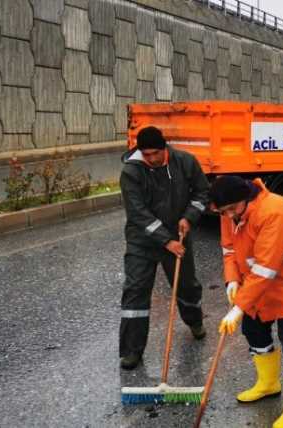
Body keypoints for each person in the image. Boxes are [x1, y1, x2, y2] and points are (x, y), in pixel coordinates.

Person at [210, 176, 283, 428]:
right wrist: (232, 280)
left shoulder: (275, 210)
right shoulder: (229, 211)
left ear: (247, 198)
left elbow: (267, 267)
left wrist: (237, 309)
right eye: (222, 213)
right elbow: (229, 250)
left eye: (232, 210)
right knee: (254, 330)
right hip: (256, 282)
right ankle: (268, 384)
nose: (228, 216)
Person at [118, 126, 209, 370]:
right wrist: (165, 240)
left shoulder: (185, 162)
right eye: (145, 154)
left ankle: (195, 321)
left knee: (186, 286)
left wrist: (189, 217)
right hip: (142, 240)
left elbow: (202, 193)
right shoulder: (131, 172)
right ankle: (131, 350)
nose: (151, 159)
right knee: (135, 290)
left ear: (164, 148)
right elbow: (137, 213)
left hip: (177, 236)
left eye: (155, 153)